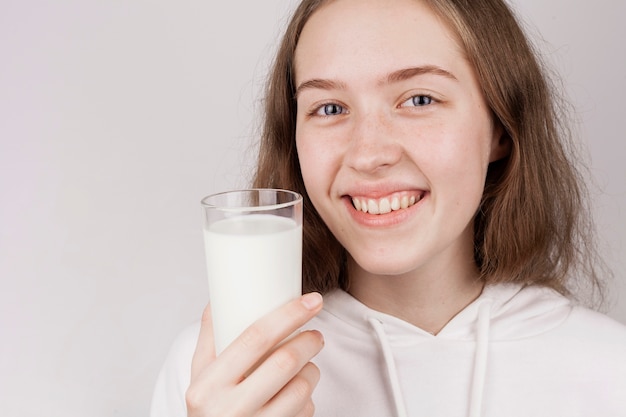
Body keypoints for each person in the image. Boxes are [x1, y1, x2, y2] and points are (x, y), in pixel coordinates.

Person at [151, 0, 626, 416]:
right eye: (330, 108)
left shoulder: (609, 370)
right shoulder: (218, 377)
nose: (367, 154)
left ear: (500, 128)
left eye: (419, 99)